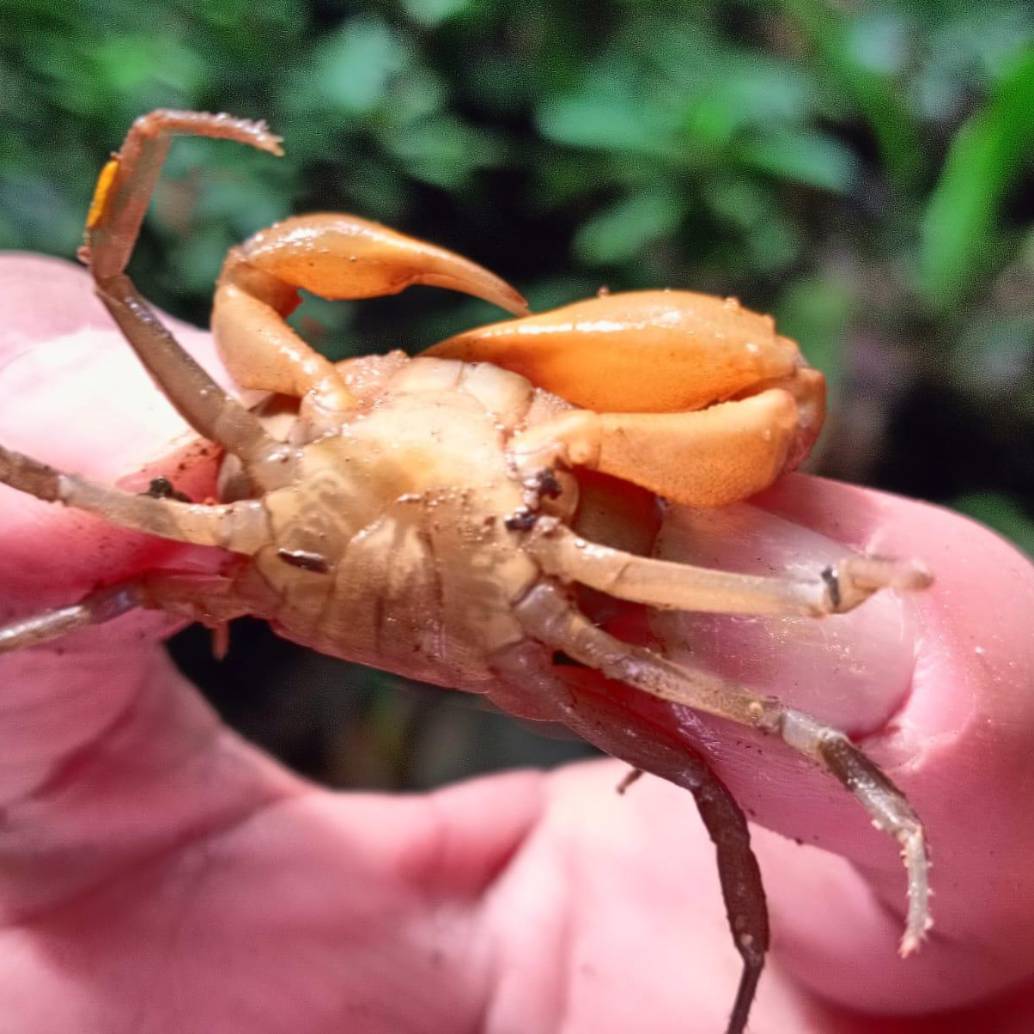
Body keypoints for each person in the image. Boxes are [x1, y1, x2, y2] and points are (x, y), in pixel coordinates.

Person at [1, 253, 1032, 1033]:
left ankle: (747, 986)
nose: (437, 406)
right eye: (390, 396)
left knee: (744, 744)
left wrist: (846, 601)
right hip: (341, 591)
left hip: (534, 624)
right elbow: (98, 324)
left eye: (483, 383)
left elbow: (784, 643)